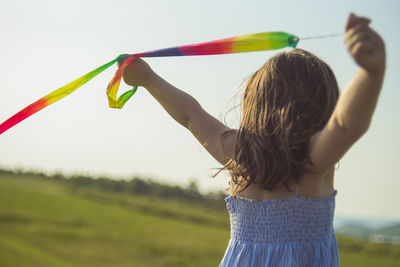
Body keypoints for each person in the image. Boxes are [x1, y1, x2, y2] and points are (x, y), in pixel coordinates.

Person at [118, 13, 385, 267]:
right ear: (323, 106)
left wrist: (148, 78)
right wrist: (370, 74)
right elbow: (345, 125)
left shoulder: (239, 154)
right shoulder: (313, 161)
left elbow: (190, 114)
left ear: (255, 103)